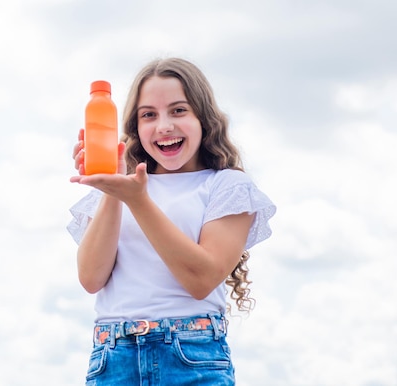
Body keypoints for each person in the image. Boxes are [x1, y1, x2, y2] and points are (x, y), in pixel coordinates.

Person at [67, 57, 276, 385]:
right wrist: (113, 186)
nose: (163, 126)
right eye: (148, 115)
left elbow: (200, 279)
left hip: (191, 358)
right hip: (113, 360)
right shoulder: (121, 186)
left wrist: (137, 201)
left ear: (203, 118)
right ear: (135, 128)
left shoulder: (226, 186)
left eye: (178, 110)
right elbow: (92, 277)